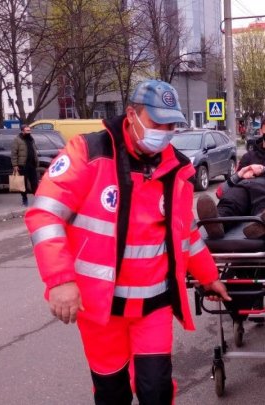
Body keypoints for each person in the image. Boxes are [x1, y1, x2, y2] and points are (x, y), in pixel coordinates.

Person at [25, 79, 230, 405]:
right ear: (132, 115)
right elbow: (45, 214)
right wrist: (61, 281)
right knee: (112, 394)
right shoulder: (88, 152)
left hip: (154, 306)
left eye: (171, 124)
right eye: (157, 122)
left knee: (156, 391)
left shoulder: (177, 168)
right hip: (102, 311)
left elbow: (186, 232)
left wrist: (209, 276)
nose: (164, 131)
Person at [11, 125, 39, 207]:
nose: (29, 132)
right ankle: (24, 199)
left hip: (32, 165)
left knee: (34, 183)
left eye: (29, 130)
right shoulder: (17, 140)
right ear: (22, 131)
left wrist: (36, 161)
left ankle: (37, 199)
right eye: (27, 131)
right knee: (22, 184)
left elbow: (34, 151)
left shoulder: (31, 139)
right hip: (22, 165)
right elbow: (13, 153)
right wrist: (15, 165)